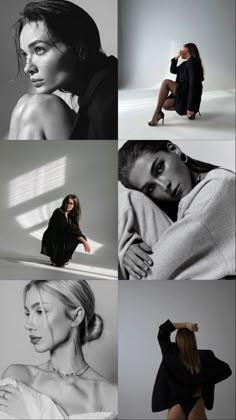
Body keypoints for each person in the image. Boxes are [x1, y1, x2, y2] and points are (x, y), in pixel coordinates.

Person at [118, 140, 235, 280]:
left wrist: (121, 248)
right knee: (130, 200)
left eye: (160, 168)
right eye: (150, 188)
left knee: (127, 200)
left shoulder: (215, 191)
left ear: (174, 149)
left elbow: (150, 279)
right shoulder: (186, 206)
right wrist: (127, 248)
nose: (164, 185)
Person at [0, 280, 117, 419]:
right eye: (27, 313)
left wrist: (32, 415)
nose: (28, 324)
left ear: (75, 317)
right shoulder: (18, 376)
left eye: (40, 311)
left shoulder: (110, 395)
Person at [8, 0, 118, 140]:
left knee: (41, 107)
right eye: (25, 55)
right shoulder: (94, 94)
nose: (27, 68)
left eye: (39, 50)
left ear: (78, 46)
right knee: (26, 102)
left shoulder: (108, 103)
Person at [152, 319, 232, 420]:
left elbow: (163, 330)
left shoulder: (170, 352)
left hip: (176, 404)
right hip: (196, 402)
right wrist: (203, 379)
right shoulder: (205, 356)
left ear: (177, 339)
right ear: (193, 340)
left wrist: (185, 324)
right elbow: (226, 370)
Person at [148, 43, 204, 126]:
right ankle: (187, 111)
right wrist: (176, 57)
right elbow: (173, 70)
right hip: (184, 93)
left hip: (188, 94)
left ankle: (157, 113)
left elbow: (193, 86)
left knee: (166, 82)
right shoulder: (186, 63)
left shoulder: (192, 63)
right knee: (165, 104)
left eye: (182, 49)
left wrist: (190, 107)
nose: (180, 50)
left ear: (187, 49)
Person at [41, 194, 91, 267]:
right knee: (74, 236)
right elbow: (68, 228)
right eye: (67, 202)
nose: (68, 205)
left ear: (74, 205)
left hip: (61, 239)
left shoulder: (70, 216)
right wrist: (84, 242)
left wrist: (84, 240)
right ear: (64, 203)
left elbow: (76, 229)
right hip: (53, 239)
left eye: (71, 203)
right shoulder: (58, 212)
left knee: (77, 237)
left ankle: (63, 258)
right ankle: (55, 258)